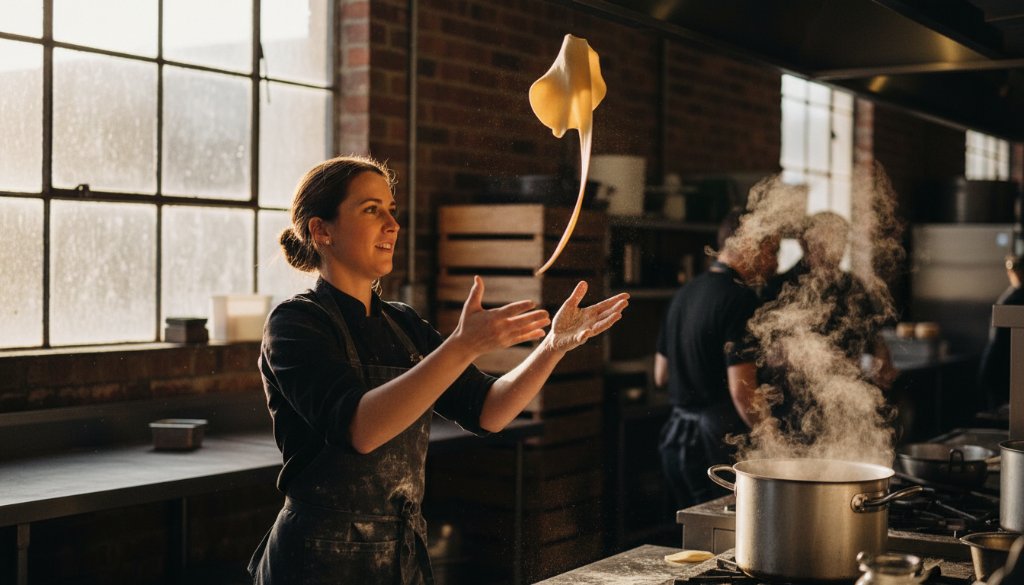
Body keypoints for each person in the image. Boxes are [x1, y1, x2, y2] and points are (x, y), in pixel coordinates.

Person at [247, 155, 629, 585]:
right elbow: (361, 428)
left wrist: (553, 347)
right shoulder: (296, 323)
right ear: (322, 230)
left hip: (400, 557)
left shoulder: (403, 324)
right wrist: (462, 346)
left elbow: (490, 411)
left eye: (392, 210)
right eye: (371, 210)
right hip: (316, 561)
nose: (392, 224)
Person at [653, 211, 778, 509]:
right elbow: (742, 391)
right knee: (722, 538)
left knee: (692, 536)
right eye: (771, 250)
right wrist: (774, 442)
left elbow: (660, 375)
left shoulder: (685, 292)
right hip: (714, 449)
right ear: (748, 244)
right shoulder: (741, 300)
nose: (774, 262)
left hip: (675, 439)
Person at [977, 253, 1024, 411]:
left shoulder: (1014, 298)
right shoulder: (1013, 294)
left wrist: (987, 372)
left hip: (1005, 367)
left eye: (1013, 269)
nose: (1010, 273)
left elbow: (997, 343)